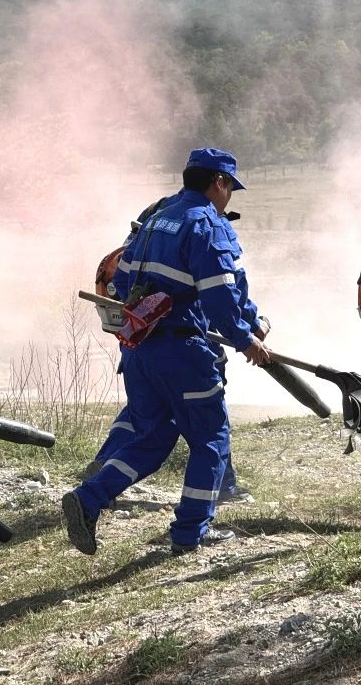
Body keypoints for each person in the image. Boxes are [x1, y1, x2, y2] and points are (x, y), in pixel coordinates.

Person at [63, 147, 270, 555]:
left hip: (140, 350)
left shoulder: (157, 218)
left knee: (153, 438)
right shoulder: (206, 224)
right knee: (211, 439)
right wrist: (246, 339)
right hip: (184, 351)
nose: (229, 197)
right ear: (219, 182)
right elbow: (219, 294)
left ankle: (89, 498)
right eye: (230, 188)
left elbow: (120, 280)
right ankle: (191, 533)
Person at [87, 197, 270, 505]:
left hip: (143, 337)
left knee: (143, 410)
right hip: (193, 337)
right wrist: (253, 326)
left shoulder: (156, 224)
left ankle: (106, 461)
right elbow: (231, 291)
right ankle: (223, 486)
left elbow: (122, 280)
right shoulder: (208, 230)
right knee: (211, 422)